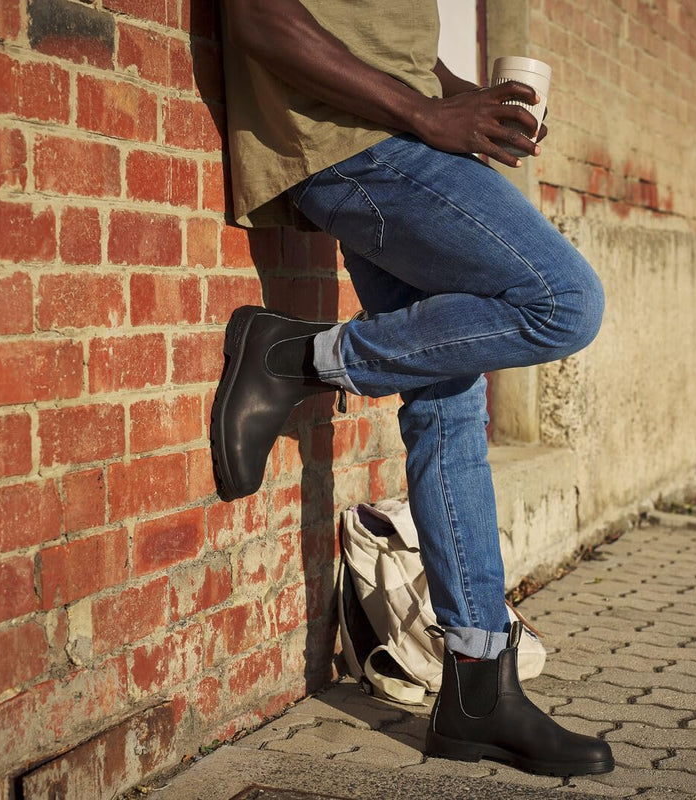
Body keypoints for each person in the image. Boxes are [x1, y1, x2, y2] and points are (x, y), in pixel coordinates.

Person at [212, 0, 613, 777]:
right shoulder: (394, 126)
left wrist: (467, 98)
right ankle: (299, 358)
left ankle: (475, 691)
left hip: (388, 133)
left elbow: (377, 35)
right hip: (360, 145)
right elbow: (260, 17)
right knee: (563, 302)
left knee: (448, 407)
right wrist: (428, 116)